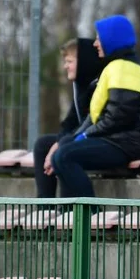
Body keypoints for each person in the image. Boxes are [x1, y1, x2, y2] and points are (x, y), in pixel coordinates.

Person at [46, 15, 140, 198]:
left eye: (99, 38)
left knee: (65, 156)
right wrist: (73, 138)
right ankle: (67, 215)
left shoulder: (124, 68)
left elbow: (117, 118)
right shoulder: (116, 66)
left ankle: (89, 219)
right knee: (63, 150)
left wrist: (84, 136)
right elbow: (95, 117)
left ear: (112, 39)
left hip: (135, 142)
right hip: (122, 139)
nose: (95, 44)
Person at [33, 38, 103, 200]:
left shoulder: (97, 85)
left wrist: (61, 143)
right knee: (43, 145)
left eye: (69, 61)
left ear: (84, 62)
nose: (65, 66)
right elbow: (69, 123)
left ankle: (67, 212)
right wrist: (58, 141)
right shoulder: (79, 86)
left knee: (64, 152)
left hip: (96, 139)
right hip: (80, 138)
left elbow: (90, 123)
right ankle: (45, 207)